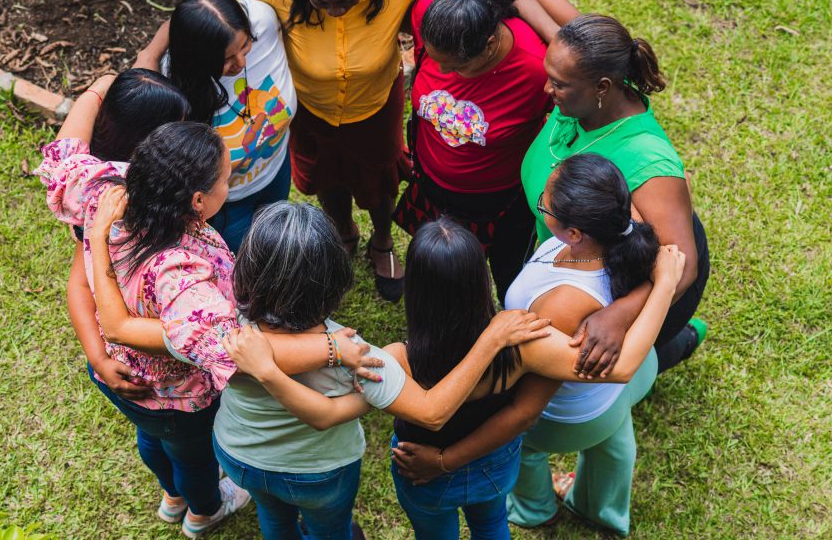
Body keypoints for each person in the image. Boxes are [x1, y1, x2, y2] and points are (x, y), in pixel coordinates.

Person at [224, 187, 684, 538]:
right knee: (491, 527)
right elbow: (618, 368)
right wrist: (660, 284)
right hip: (493, 464)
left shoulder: (399, 357)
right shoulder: (520, 340)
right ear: (478, 276)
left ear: (416, 289)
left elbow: (424, 410)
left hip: (420, 472)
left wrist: (442, 461)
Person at [88, 198, 551, 539]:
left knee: (273, 516)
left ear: (246, 267)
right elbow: (430, 412)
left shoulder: (212, 326)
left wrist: (96, 242)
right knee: (331, 530)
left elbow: (119, 325)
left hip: (239, 457)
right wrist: (490, 340)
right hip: (318, 474)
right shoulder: (362, 353)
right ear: (335, 279)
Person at [39, 121, 382, 538]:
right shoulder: (181, 280)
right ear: (198, 200)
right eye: (227, 178)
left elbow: (66, 151)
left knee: (149, 436)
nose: (230, 183)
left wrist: (98, 89)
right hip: (175, 396)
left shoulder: (106, 192)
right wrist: (331, 348)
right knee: (192, 455)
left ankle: (172, 497)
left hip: (117, 375)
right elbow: (240, 349)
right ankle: (202, 508)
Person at [391, 154, 685, 536]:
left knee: (525, 452)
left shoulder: (561, 307)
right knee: (612, 436)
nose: (540, 201)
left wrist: (446, 460)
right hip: (616, 391)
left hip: (576, 408)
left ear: (576, 232)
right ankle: (601, 506)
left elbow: (523, 413)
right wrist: (654, 285)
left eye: (545, 202)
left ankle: (534, 508)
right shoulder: (623, 226)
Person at [216, 0, 502, 301]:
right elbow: (209, 3)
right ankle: (344, 234)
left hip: (375, 108)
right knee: (325, 177)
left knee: (379, 181)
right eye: (322, 2)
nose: (335, 11)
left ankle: (382, 243)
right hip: (310, 112)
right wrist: (150, 57)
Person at [522, 14, 711, 375]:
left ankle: (679, 342)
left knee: (598, 368)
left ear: (602, 87)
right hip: (570, 259)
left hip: (630, 284)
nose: (548, 89)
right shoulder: (581, 92)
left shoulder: (646, 158)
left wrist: (619, 316)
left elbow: (681, 265)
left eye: (558, 84)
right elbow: (562, 30)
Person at [391, 0, 554, 302]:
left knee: (511, 277)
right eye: (434, 59)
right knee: (444, 273)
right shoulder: (435, 14)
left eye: (454, 67)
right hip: (432, 185)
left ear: (490, 45)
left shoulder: (538, 70)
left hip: (500, 202)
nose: (440, 70)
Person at [60, 69, 191, 404]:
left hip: (115, 363)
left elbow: (65, 150)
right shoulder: (150, 204)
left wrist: (100, 86)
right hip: (165, 382)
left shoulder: (89, 190)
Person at [135, 0, 297, 253]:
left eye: (245, 46)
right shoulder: (173, 87)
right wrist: (149, 56)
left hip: (276, 170)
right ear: (198, 60)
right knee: (244, 268)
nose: (242, 63)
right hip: (227, 204)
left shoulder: (262, 19)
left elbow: (206, 6)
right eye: (226, 60)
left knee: (276, 247)